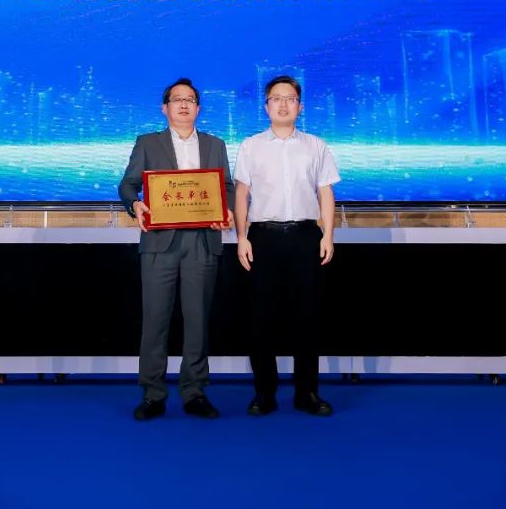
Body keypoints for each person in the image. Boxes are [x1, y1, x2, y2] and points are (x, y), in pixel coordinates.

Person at [119, 78, 235, 421]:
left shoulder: (215, 144)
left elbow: (227, 186)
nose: (184, 104)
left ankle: (194, 392)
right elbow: (128, 184)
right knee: (155, 320)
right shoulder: (147, 143)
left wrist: (227, 209)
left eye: (190, 100)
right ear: (165, 108)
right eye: (177, 99)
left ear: (198, 108)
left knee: (198, 321)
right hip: (160, 242)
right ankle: (152, 394)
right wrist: (135, 204)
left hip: (202, 240)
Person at [233, 75, 340, 417]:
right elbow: (241, 194)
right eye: (276, 98)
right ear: (266, 106)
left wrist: (328, 235)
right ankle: (264, 393)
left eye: (290, 98)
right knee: (261, 318)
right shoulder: (251, 146)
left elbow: (325, 191)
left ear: (300, 106)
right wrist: (241, 237)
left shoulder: (316, 146)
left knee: (307, 317)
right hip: (262, 238)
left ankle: (307, 392)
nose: (283, 104)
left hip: (305, 237)